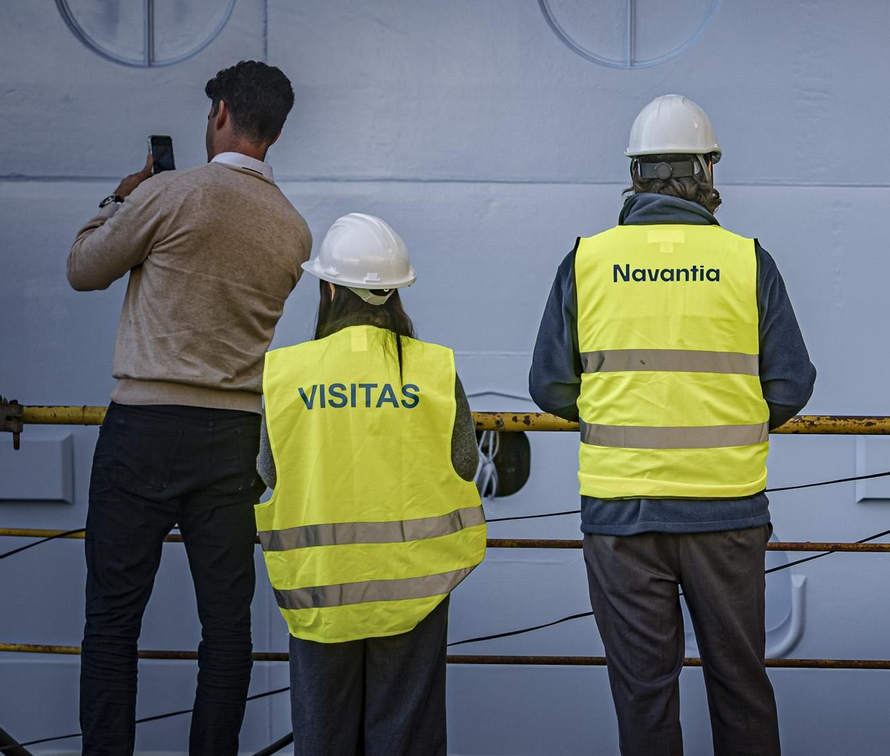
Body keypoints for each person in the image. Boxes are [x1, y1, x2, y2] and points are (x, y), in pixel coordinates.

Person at [529, 94, 816, 756]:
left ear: (633, 174)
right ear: (708, 171)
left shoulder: (587, 260)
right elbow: (791, 384)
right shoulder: (747, 260)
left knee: (643, 693)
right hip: (726, 516)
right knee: (741, 687)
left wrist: (619, 411)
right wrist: (728, 418)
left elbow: (549, 386)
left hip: (621, 519)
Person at [65, 60, 310, 755]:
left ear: (222, 112)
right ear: (279, 130)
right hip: (232, 437)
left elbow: (84, 269)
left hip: (142, 427)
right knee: (227, 628)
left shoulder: (171, 194)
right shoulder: (294, 230)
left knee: (113, 621)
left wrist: (121, 201)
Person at [255, 213, 485, 756]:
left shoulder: (288, 373)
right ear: (395, 295)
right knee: (405, 737)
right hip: (414, 588)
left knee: (324, 735)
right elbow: (465, 461)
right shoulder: (431, 369)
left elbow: (269, 470)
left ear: (329, 288)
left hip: (320, 589)